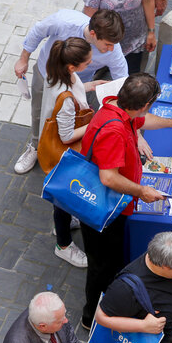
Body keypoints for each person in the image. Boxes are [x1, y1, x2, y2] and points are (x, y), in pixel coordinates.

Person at [78, 74, 172, 332]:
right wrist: (141, 190)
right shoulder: (114, 131)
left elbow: (143, 120)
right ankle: (93, 316)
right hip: (104, 209)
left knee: (109, 261)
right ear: (144, 104)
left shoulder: (115, 107)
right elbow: (108, 177)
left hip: (109, 204)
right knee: (102, 265)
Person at [13, 9, 128, 174]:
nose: (112, 49)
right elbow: (38, 30)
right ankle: (36, 147)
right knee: (39, 113)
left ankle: (60, 153)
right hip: (44, 74)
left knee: (71, 120)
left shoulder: (113, 50)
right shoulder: (64, 21)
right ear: (93, 33)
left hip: (78, 85)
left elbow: (122, 81)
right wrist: (23, 59)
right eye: (108, 44)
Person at [40, 37, 102, 268]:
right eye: (87, 63)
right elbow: (66, 136)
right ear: (71, 67)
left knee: (64, 201)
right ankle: (63, 245)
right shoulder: (64, 98)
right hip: (63, 155)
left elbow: (72, 93)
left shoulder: (56, 74)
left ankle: (64, 227)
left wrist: (90, 86)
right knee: (63, 202)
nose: (90, 64)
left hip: (58, 147)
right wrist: (96, 123)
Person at [83, 0, 157, 74]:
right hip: (103, 43)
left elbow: (148, 0)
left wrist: (151, 32)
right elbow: (89, 16)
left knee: (131, 76)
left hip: (134, 41)